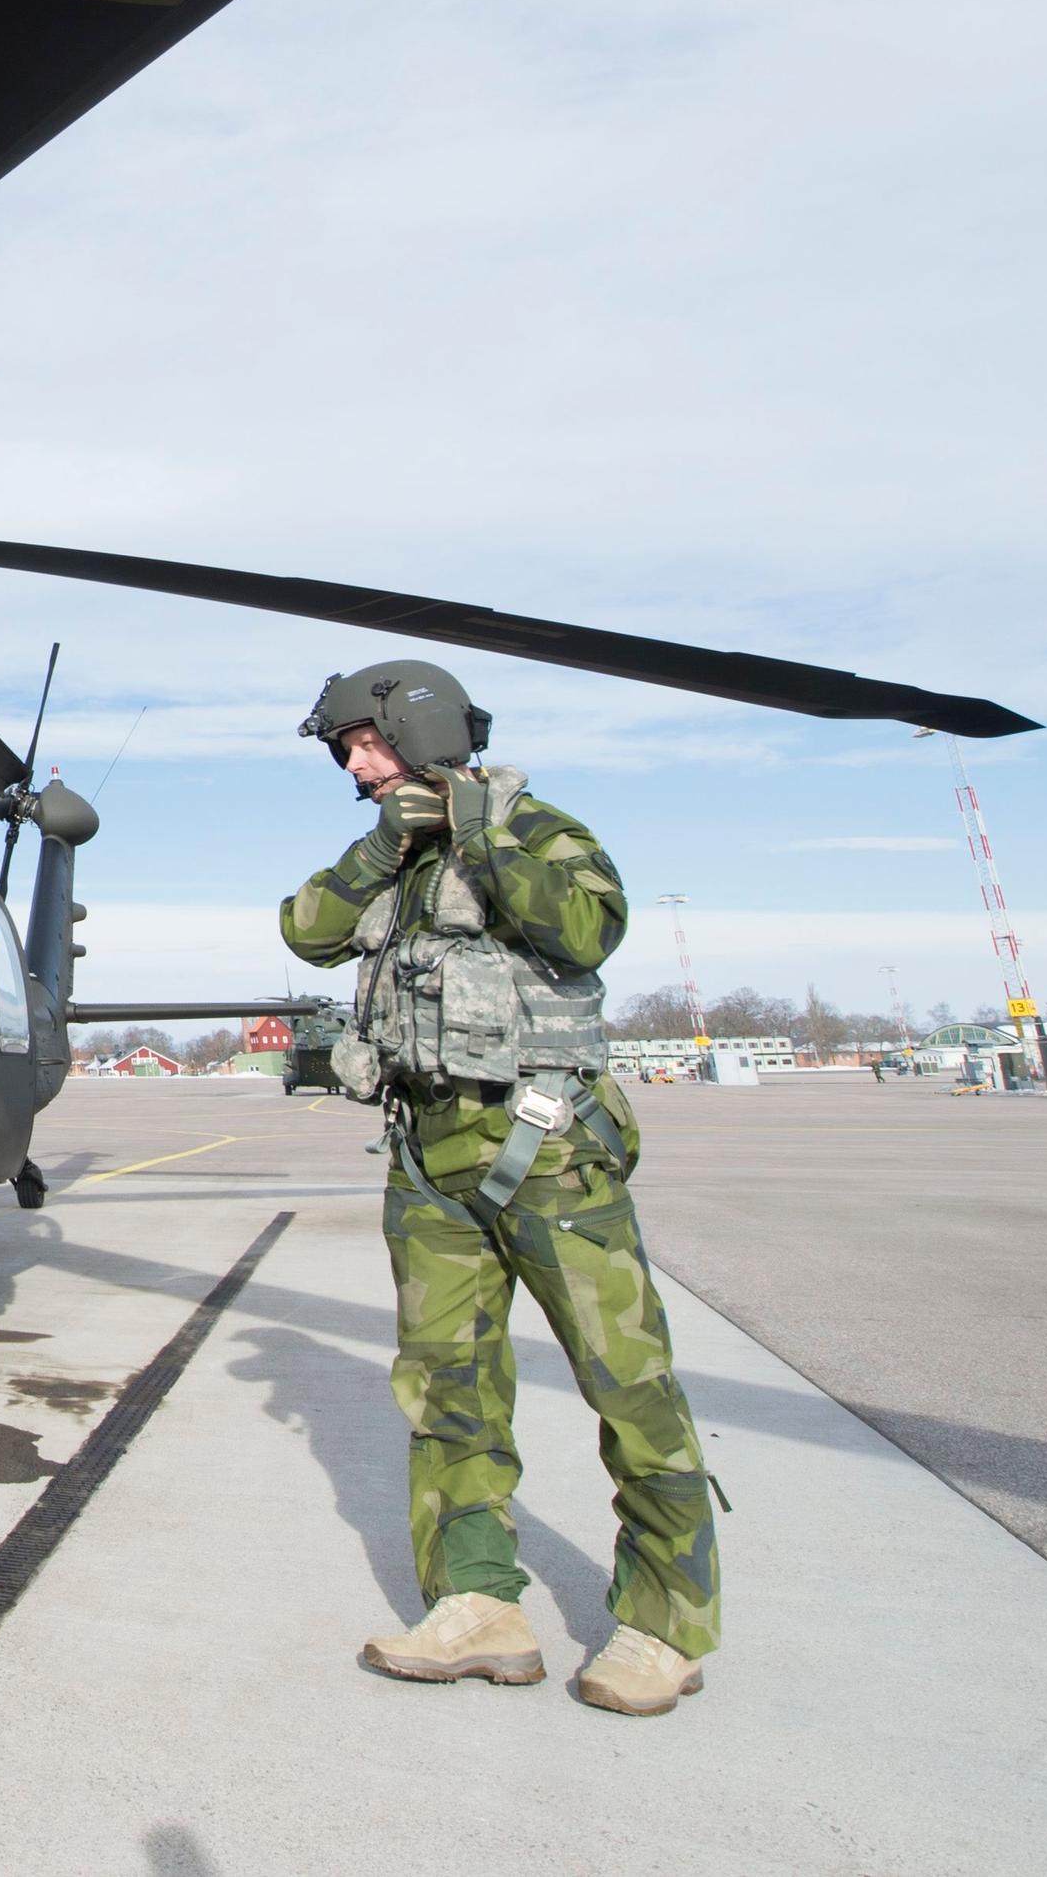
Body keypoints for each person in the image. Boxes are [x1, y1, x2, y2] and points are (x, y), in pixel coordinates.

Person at [279, 660, 723, 1718]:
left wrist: (477, 831)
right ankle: (478, 1605)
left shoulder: (543, 831)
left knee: (630, 1387)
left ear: (418, 729)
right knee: (447, 1396)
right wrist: (393, 840)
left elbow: (583, 929)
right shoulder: (387, 857)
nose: (354, 763)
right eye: (346, 751)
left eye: (366, 743)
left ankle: (665, 1624)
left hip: (548, 1154)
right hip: (429, 1160)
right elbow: (307, 927)